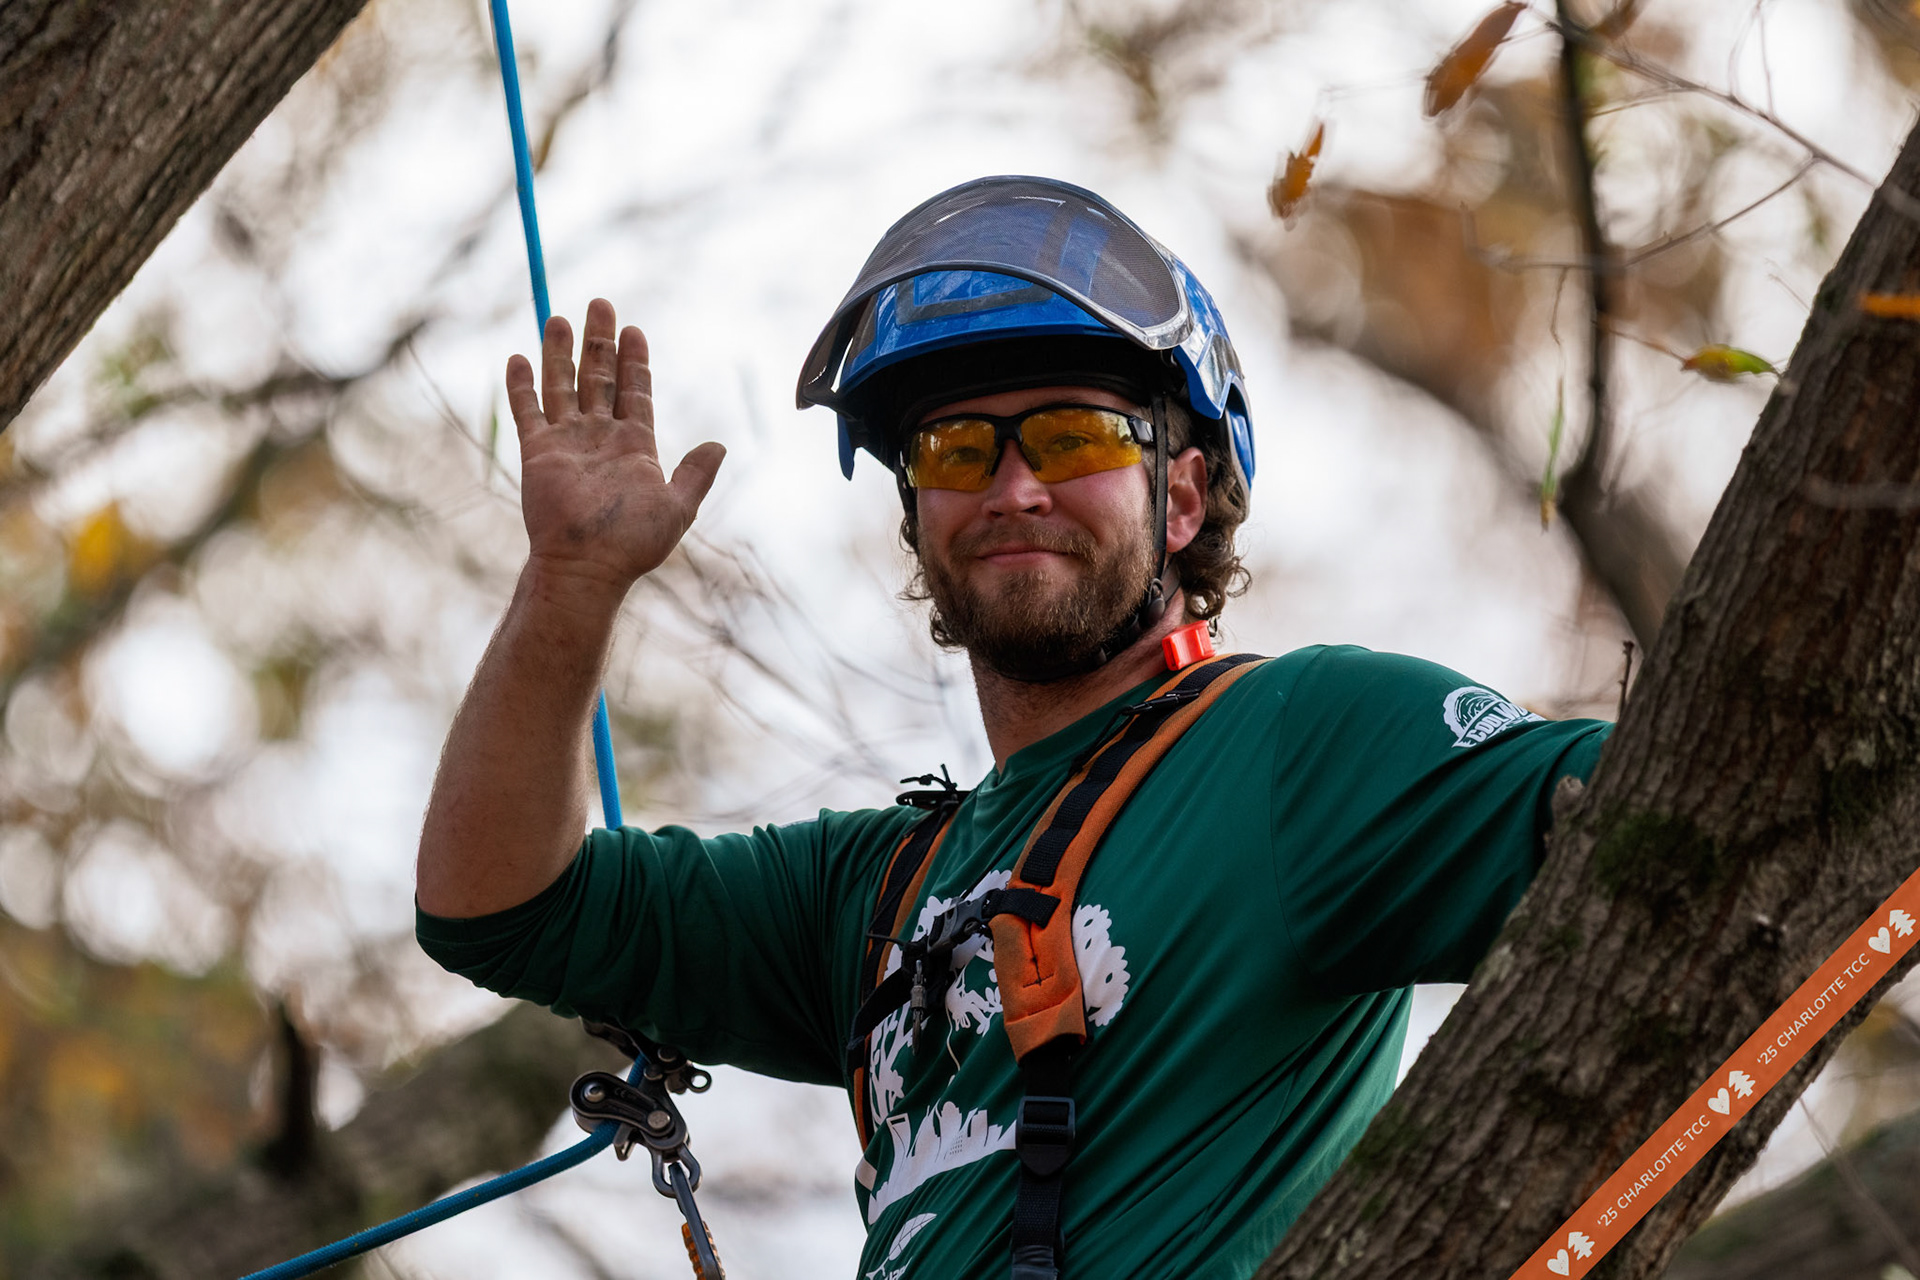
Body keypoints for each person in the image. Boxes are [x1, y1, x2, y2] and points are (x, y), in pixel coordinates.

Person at [415, 176, 1611, 1280]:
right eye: (955, 446)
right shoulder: (869, 889)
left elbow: (1662, 822)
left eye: (1076, 434)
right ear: (917, 513)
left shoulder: (1304, 740)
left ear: (1183, 493)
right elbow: (501, 904)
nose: (1012, 484)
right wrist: (571, 582)